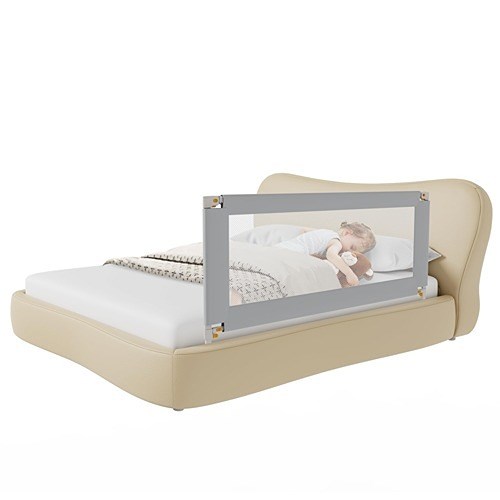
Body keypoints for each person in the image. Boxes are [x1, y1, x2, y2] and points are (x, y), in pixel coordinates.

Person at [275, 222, 376, 286]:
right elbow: (331, 256)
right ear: (346, 233)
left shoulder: (326, 232)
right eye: (352, 247)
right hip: (290, 255)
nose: (349, 251)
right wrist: (350, 274)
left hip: (280, 248)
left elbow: (304, 230)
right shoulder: (336, 242)